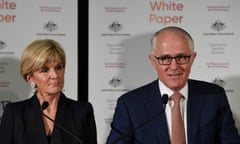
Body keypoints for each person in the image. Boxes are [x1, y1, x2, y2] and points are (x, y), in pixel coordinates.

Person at [106, 26, 240, 144]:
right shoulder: (130, 104)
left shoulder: (214, 97)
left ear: (192, 58)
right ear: (153, 61)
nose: (174, 66)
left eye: (181, 57)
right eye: (165, 58)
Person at [0, 39, 97, 144]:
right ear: (30, 77)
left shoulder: (82, 111)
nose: (55, 75)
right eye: (45, 70)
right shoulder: (15, 113)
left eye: (58, 68)